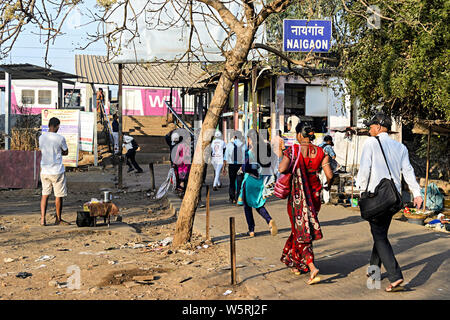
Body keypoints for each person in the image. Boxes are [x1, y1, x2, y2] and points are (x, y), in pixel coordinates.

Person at [356, 112, 423, 293]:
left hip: (375, 198)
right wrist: (417, 193)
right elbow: (408, 172)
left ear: (378, 127)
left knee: (379, 236)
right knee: (380, 234)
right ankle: (373, 271)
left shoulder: (370, 143)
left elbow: (365, 169)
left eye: (371, 127)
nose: (369, 130)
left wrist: (360, 191)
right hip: (393, 199)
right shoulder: (400, 147)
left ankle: (395, 276)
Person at [278, 122, 333, 285]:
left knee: (300, 229)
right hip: (315, 195)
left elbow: (281, 169)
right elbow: (329, 174)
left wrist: (284, 158)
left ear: (300, 135)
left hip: (297, 197)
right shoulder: (321, 152)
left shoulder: (293, 150)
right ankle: (296, 263)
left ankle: (310, 265)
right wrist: (327, 187)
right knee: (302, 228)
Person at [238, 130, 278, 237]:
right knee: (258, 204)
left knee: (247, 206)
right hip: (260, 182)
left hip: (250, 181)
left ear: (250, 139)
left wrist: (243, 168)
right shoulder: (264, 151)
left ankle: (251, 230)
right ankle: (269, 220)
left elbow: (245, 167)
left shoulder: (250, 152)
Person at [39, 117, 70, 226]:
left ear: (48, 125)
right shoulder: (60, 138)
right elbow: (66, 152)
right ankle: (58, 219)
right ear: (57, 126)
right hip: (57, 170)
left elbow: (41, 150)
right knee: (58, 196)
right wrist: (58, 152)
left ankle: (43, 219)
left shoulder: (41, 137)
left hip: (45, 170)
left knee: (44, 195)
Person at [224, 131, 245, 204]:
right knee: (240, 182)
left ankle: (231, 198)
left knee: (232, 182)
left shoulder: (229, 145)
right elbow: (246, 158)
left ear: (234, 137)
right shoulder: (244, 145)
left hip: (231, 166)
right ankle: (239, 198)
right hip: (240, 166)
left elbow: (225, 157)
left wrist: (224, 168)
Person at [318, 135, 338, 203]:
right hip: (326, 167)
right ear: (329, 141)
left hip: (318, 167)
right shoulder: (328, 147)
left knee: (319, 183)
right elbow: (333, 156)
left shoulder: (319, 145)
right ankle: (326, 200)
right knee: (325, 183)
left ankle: (319, 199)